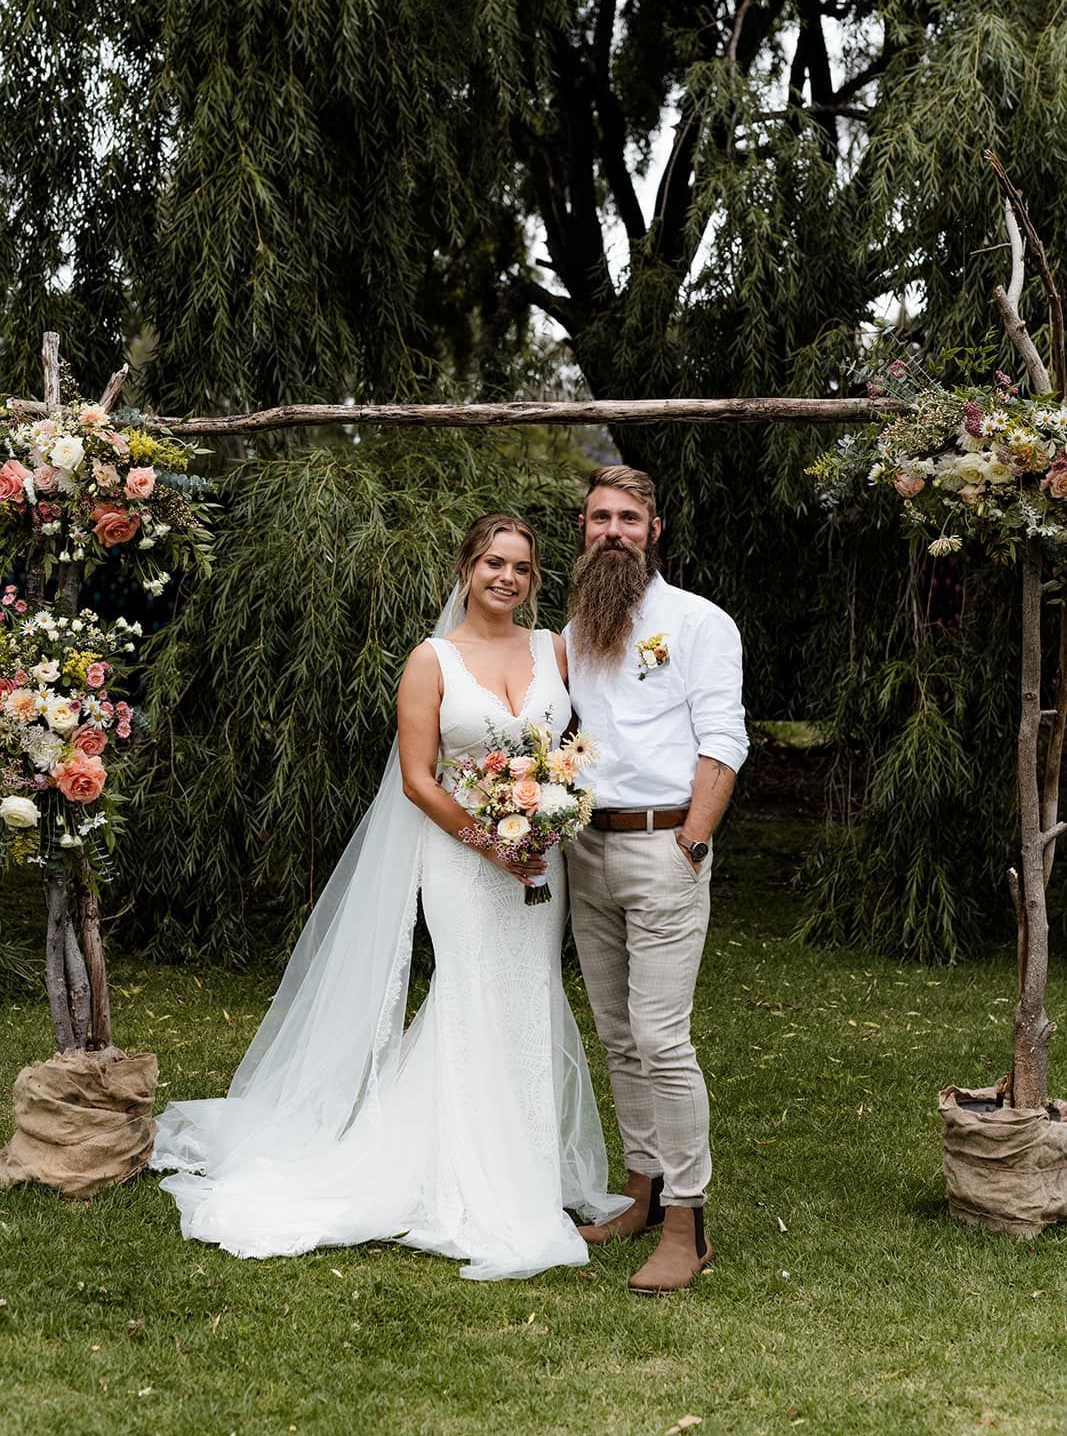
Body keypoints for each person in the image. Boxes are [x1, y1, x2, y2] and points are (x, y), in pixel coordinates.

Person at [151, 513, 627, 1280]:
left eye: (523, 568)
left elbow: (580, 739)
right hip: (464, 861)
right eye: (493, 563)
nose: (507, 578)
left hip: (539, 861)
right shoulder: (431, 659)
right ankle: (475, 1177)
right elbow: (416, 779)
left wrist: (548, 817)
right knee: (470, 993)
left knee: (528, 994)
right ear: (467, 568)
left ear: (535, 581)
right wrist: (491, 843)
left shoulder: (554, 650)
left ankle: (529, 1167)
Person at [564, 466, 748, 1295]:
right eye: (600, 517)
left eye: (627, 518)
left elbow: (724, 739)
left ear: (653, 529)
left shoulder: (698, 622)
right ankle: (640, 1193)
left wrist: (691, 842)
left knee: (662, 1039)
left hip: (664, 846)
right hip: (585, 851)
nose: (613, 530)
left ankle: (688, 1224)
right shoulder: (575, 628)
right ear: (583, 528)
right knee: (616, 1033)